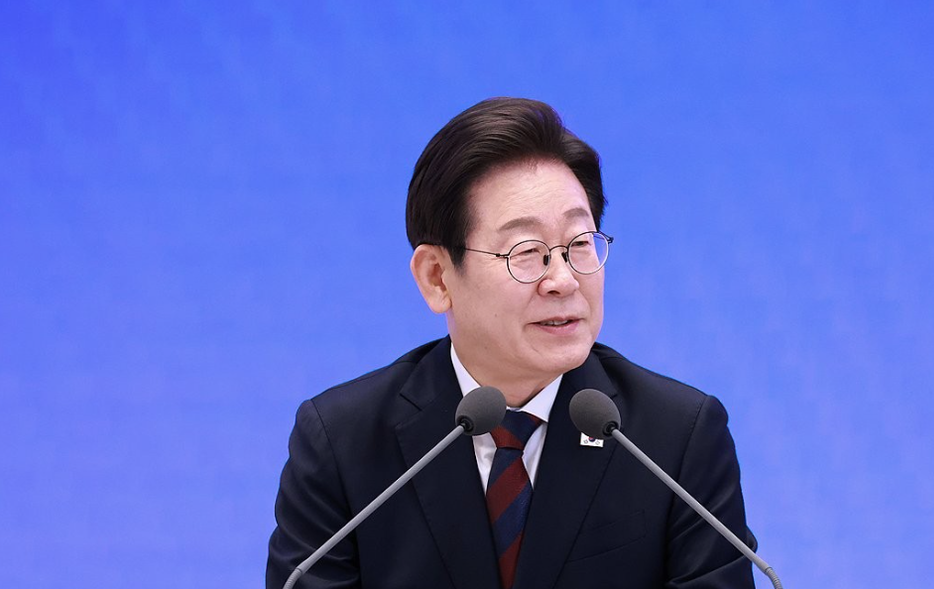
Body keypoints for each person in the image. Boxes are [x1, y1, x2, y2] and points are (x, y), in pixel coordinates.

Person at [267, 98, 757, 589]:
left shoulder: (675, 439)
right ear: (437, 277)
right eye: (526, 251)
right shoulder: (343, 444)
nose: (563, 279)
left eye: (579, 244)